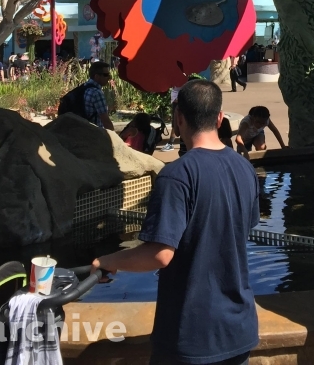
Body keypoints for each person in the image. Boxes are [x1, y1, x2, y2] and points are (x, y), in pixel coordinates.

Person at [94, 80, 260, 365]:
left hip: (192, 335)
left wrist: (108, 260)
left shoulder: (178, 175)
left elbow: (160, 254)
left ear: (178, 118)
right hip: (238, 330)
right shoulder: (245, 168)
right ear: (219, 118)